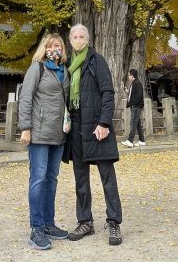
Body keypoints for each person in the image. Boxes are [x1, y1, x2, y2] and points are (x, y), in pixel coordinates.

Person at [64, 24, 123, 247]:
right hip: (76, 127)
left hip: (97, 126)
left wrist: (104, 122)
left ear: (88, 39)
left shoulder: (96, 61)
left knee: (107, 177)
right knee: (81, 178)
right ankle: (85, 221)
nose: (78, 39)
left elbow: (107, 91)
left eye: (82, 36)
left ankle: (114, 221)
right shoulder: (67, 64)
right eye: (75, 36)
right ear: (70, 40)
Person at [19, 34, 71, 250]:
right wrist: (25, 128)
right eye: (50, 46)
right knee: (38, 179)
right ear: (44, 48)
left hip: (59, 133)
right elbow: (26, 97)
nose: (54, 49)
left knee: (52, 179)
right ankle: (36, 227)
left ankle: (49, 223)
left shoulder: (65, 71)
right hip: (39, 132)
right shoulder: (37, 68)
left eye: (57, 46)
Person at [121, 69, 145, 148]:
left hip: (136, 106)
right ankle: (142, 141)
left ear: (132, 75)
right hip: (135, 106)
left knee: (133, 123)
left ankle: (130, 141)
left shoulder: (137, 83)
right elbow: (134, 94)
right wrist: (128, 91)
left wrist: (133, 104)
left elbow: (139, 95)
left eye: (129, 75)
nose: (128, 76)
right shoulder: (134, 83)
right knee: (137, 124)